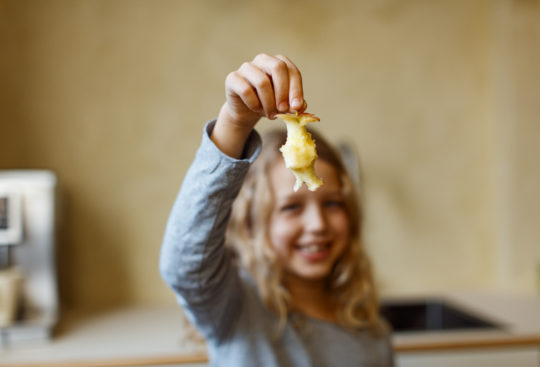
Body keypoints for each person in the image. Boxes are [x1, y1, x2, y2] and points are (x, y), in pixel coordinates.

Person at [160, 53, 394, 366]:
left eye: (332, 203)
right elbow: (184, 263)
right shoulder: (237, 309)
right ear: (253, 222)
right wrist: (234, 123)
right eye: (291, 207)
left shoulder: (371, 333)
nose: (317, 225)